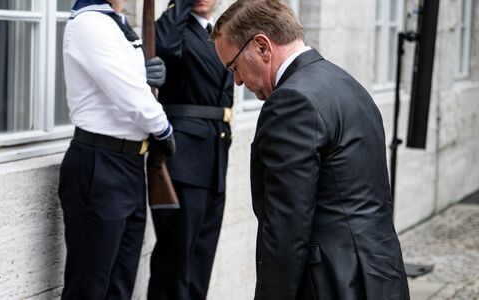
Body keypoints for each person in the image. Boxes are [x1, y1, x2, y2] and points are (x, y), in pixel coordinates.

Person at [211, 0, 410, 299]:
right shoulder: (349, 85)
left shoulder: (291, 101)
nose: (237, 80)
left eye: (234, 66)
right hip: (380, 274)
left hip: (330, 283)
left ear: (262, 47)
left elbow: (286, 229)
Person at [59, 0, 175, 299]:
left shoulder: (116, 22)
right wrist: (162, 127)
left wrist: (147, 73)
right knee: (88, 289)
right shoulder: (90, 22)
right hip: (100, 163)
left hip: (130, 164)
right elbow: (129, 93)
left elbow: (132, 84)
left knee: (121, 286)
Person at [147, 0, 233, 299]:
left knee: (200, 261)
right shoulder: (176, 28)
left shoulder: (219, 32)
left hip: (215, 157)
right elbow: (161, 45)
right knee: (175, 262)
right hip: (183, 161)